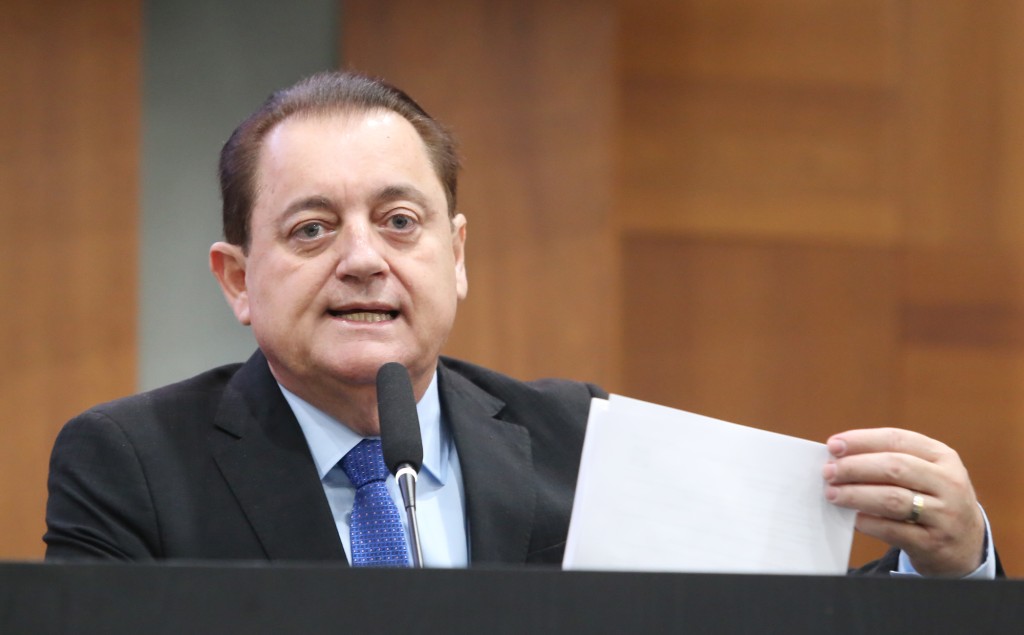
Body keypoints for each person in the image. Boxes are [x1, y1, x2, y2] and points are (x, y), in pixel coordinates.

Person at [44, 71, 999, 577]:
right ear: (238, 279)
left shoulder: (578, 442)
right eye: (312, 229)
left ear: (456, 254)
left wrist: (952, 564)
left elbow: (774, 620)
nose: (364, 258)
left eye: (400, 221)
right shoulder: (131, 465)